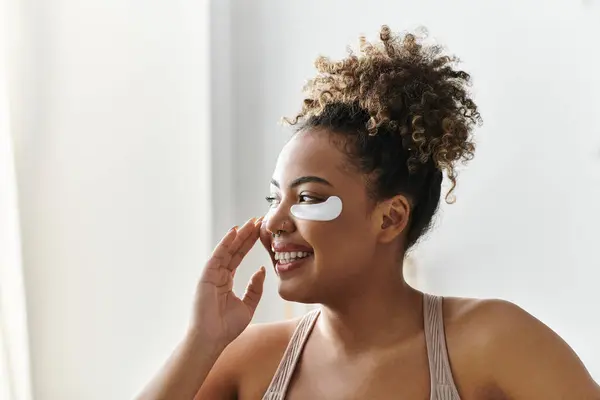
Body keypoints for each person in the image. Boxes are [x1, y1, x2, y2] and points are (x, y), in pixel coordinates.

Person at [136, 26, 600, 400]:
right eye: (273, 198)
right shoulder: (251, 360)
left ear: (391, 218)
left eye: (309, 198)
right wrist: (202, 341)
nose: (274, 223)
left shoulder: (493, 342)